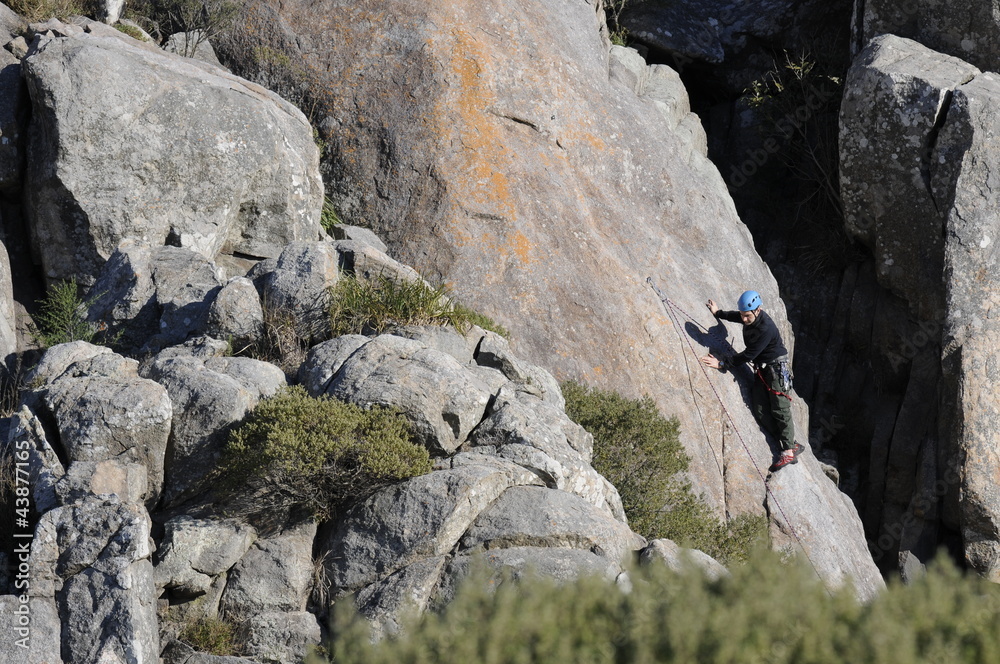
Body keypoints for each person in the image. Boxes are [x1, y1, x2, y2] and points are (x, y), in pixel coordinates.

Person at [699, 290, 805, 471]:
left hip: (776, 372)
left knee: (780, 409)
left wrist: (722, 363)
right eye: (743, 315)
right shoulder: (749, 316)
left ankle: (788, 451)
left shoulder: (766, 328)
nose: (744, 319)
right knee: (760, 410)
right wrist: (718, 313)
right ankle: (788, 442)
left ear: (758, 310)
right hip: (763, 370)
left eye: (747, 315)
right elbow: (736, 316)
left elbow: (748, 355)